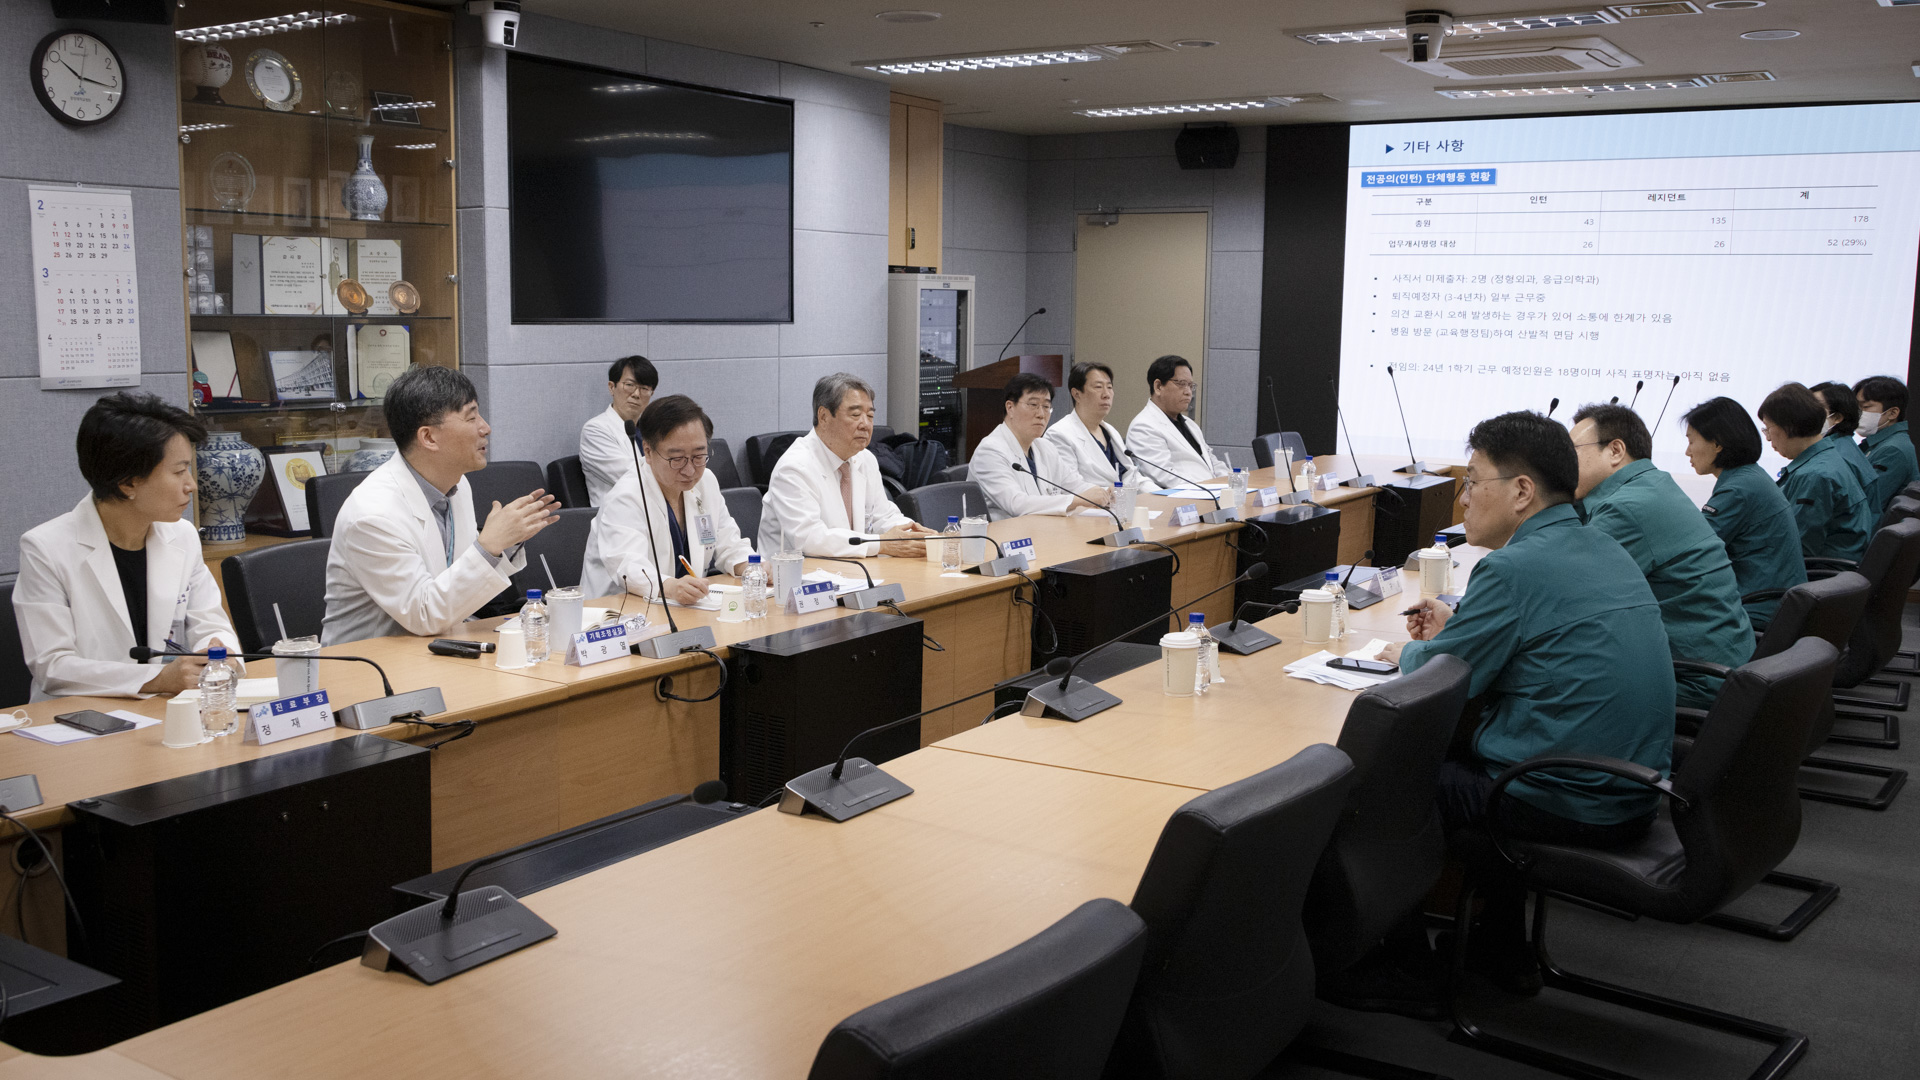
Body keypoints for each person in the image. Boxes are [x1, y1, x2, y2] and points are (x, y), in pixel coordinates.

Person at [1376, 411, 1672, 1001]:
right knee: (1473, 750)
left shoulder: (1514, 567)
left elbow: (1437, 677)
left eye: (1472, 482)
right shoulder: (1600, 545)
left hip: (1567, 796)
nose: (1462, 499)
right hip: (1633, 787)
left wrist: (1404, 652)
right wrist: (1461, 627)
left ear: (1520, 491)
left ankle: (1401, 968)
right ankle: (1499, 950)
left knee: (1383, 778)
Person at [13, 393, 244, 700]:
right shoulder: (46, 549)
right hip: (80, 722)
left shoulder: (183, 536)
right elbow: (53, 666)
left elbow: (208, 620)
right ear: (128, 483)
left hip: (165, 713)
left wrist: (217, 650)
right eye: (178, 471)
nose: (191, 484)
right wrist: (158, 678)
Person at [323, 367, 560, 644]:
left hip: (440, 645)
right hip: (372, 667)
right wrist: (488, 547)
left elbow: (457, 584)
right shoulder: (372, 515)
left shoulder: (456, 485)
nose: (485, 427)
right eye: (471, 417)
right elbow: (423, 615)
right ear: (429, 438)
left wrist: (508, 541)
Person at [1570, 404, 1752, 707]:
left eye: (1572, 450)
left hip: (1693, 682)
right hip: (1724, 668)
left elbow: (1569, 600)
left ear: (1615, 451)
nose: (1562, 462)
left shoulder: (1625, 508)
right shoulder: (1652, 485)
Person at [581, 395, 754, 603]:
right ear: (648, 451)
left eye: (699, 456)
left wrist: (749, 567)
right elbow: (629, 567)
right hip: (621, 611)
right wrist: (671, 586)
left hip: (686, 607)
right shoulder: (626, 496)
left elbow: (729, 540)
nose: (690, 470)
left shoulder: (705, 481)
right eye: (677, 459)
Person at [760, 373, 935, 558]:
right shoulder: (794, 468)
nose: (865, 425)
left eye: (870, 415)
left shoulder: (865, 459)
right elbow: (811, 539)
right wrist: (882, 545)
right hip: (795, 579)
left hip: (851, 571)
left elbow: (883, 516)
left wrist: (916, 536)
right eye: (856, 414)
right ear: (824, 416)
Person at [1682, 397, 1808, 631]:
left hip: (1756, 607)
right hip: (1771, 600)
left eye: (1691, 441)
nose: (1687, 451)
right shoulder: (1749, 477)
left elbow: (1692, 551)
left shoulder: (1738, 489)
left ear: (1717, 443)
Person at [1759, 382, 1872, 563]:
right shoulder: (1824, 459)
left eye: (1768, 427)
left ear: (1788, 426)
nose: (1768, 437)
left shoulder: (1815, 475)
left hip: (1817, 574)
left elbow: (1798, 546)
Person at [972, 373, 1110, 520]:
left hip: (1041, 530)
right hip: (1004, 538)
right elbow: (1017, 504)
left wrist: (1105, 493)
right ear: (1010, 407)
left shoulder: (1045, 447)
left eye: (1046, 406)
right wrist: (1078, 501)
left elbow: (1074, 484)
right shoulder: (990, 451)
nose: (1041, 414)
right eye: (1033, 405)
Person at [1126, 355, 1228, 488]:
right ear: (1158, 387)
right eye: (1181, 384)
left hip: (1211, 494)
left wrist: (1229, 482)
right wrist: (1208, 490)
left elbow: (1212, 463)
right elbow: (1164, 476)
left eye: (1191, 386)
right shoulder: (1143, 426)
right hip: (1185, 499)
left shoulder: (1190, 424)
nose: (1188, 392)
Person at [579, 355, 658, 507]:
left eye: (644, 388)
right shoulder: (595, 430)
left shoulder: (654, 429)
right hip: (619, 518)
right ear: (611, 387)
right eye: (629, 385)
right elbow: (635, 478)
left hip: (657, 511)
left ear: (651, 394)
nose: (636, 394)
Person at [1045, 361, 1130, 487]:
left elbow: (1131, 475)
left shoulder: (1111, 431)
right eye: (1098, 387)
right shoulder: (1059, 434)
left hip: (1124, 502)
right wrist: (1115, 493)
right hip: (1091, 505)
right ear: (1077, 394)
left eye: (1109, 387)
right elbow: (1070, 486)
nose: (1106, 394)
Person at [1852, 375, 1919, 515]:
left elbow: (1868, 503)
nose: (1857, 413)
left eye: (1865, 407)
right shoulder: (1877, 444)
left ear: (1893, 413)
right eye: (1856, 407)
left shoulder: (1893, 450)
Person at [1809, 381, 1874, 496]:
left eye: (1814, 407)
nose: (1804, 413)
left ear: (1836, 417)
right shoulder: (1842, 445)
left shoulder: (1834, 457)